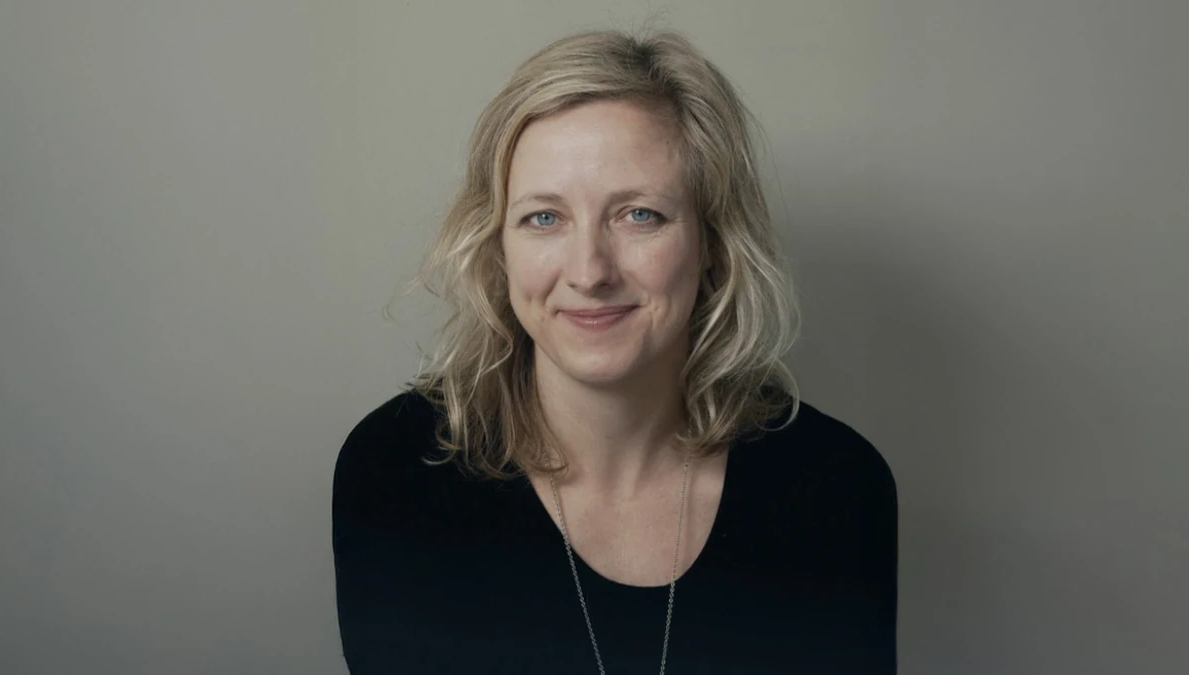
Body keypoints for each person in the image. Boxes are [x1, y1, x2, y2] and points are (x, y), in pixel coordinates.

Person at [332, 28, 897, 675]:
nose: (590, 271)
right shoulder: (395, 472)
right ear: (498, 246)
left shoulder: (838, 489)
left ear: (712, 242)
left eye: (639, 215)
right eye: (544, 217)